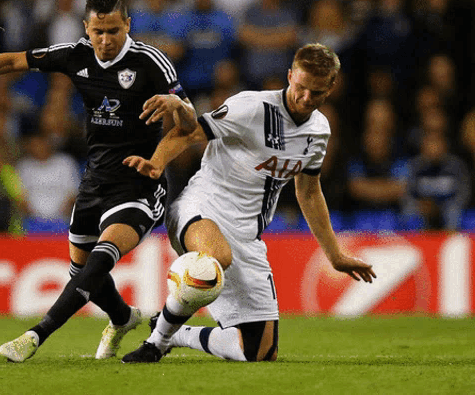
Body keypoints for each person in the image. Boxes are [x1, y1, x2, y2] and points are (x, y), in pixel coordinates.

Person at [0, 0, 193, 361]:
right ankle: (122, 319)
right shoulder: (76, 54)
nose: (105, 41)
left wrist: (176, 109)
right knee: (81, 270)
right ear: (86, 29)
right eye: (98, 32)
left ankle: (35, 335)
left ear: (128, 26)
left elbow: (189, 125)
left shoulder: (151, 62)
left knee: (100, 259)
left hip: (140, 184)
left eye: (113, 32)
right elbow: (11, 61)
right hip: (95, 182)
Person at [121, 43, 376, 363]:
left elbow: (309, 193)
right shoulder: (250, 107)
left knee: (258, 352)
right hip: (200, 208)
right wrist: (156, 164)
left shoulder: (319, 131)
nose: (306, 99)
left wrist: (335, 254)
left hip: (247, 237)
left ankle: (179, 334)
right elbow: (187, 133)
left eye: (317, 92)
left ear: (331, 88)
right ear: (289, 76)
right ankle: (157, 341)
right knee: (215, 259)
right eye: (300, 88)